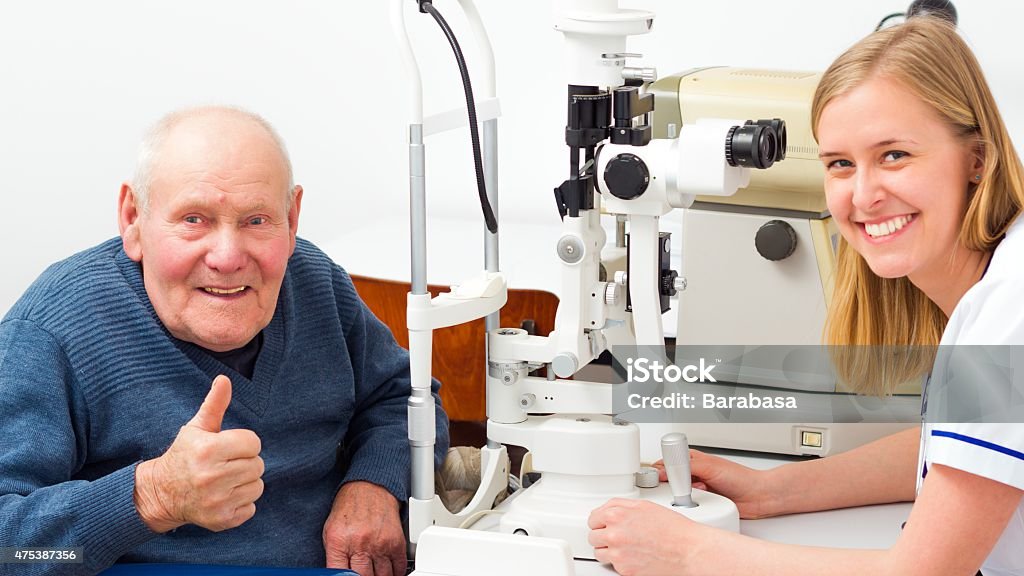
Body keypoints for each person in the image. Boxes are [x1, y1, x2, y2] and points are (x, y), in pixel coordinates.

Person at [587, 17, 1024, 576]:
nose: (863, 195)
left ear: (977, 159)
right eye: (840, 163)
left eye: (894, 155)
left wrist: (688, 554)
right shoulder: (997, 278)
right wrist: (773, 491)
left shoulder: (1009, 308)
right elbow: (957, 452)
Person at [0, 106, 449, 576]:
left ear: (292, 219)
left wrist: (374, 485)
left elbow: (403, 398)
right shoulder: (52, 331)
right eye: (194, 219)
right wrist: (152, 497)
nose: (228, 257)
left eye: (256, 221)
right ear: (133, 219)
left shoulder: (316, 284)